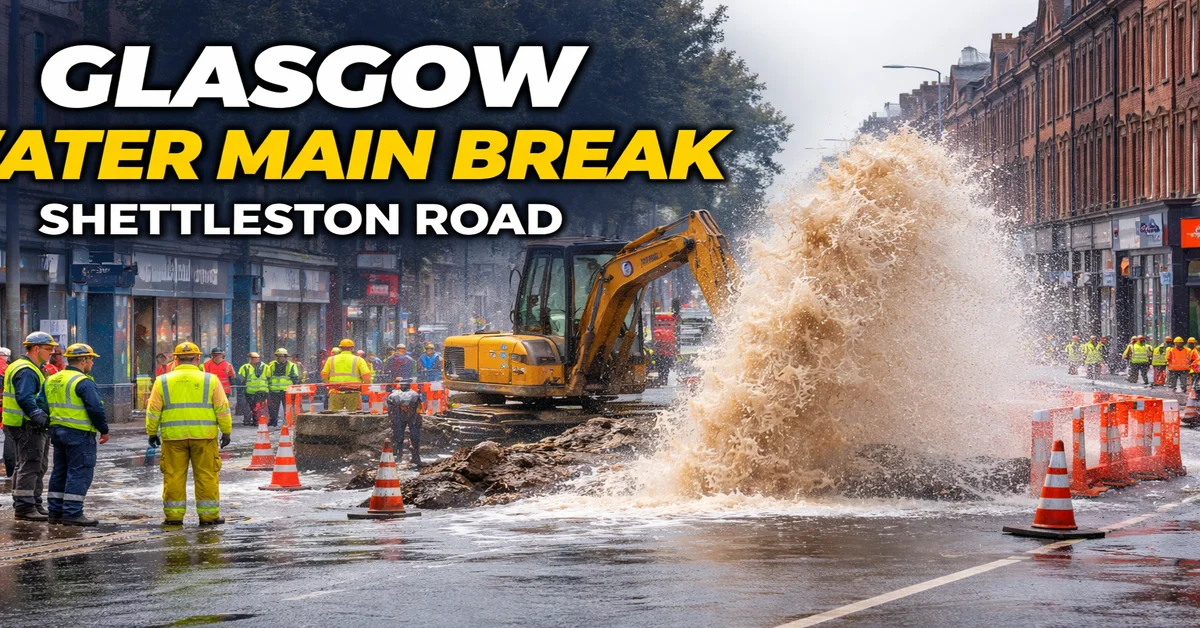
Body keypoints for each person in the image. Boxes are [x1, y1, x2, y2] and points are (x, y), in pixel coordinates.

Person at [145, 342, 232, 526]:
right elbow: (222, 409)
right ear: (198, 358)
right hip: (204, 436)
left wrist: (152, 433)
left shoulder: (163, 381)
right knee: (207, 475)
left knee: (174, 476)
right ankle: (209, 516)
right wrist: (226, 431)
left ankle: (174, 516)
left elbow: (153, 411)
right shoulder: (210, 380)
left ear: (175, 359)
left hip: (173, 438)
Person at [45, 343, 109, 526]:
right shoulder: (83, 381)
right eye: (91, 360)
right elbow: (95, 408)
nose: (92, 364)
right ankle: (72, 513)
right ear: (83, 360)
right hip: (78, 433)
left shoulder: (53, 379)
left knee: (60, 471)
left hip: (57, 432)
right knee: (79, 472)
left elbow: (41, 404)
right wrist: (103, 429)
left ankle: (55, 512)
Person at [2, 332, 56, 520]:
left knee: (29, 464)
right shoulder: (27, 370)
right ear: (36, 348)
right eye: (48, 349)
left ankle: (31, 503)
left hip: (18, 423)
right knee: (30, 465)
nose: (51, 352)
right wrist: (38, 416)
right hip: (28, 425)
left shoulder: (24, 366)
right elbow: (25, 398)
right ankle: (25, 508)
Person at [322, 339, 373, 411]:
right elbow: (366, 375)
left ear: (340, 348)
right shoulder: (358, 359)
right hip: (353, 392)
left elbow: (324, 374)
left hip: (335, 392)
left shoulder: (331, 359)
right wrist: (366, 388)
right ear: (352, 348)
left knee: (335, 417)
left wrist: (328, 385)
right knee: (353, 416)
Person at [386, 379, 424, 467]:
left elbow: (390, 409)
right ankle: (415, 456)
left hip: (399, 415)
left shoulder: (393, 395)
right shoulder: (415, 394)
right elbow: (419, 409)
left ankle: (399, 456)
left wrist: (392, 419)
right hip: (411, 415)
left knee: (398, 437)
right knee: (414, 436)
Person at [265, 348, 302, 427]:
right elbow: (267, 377)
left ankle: (289, 423)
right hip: (274, 391)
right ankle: (273, 421)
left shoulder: (292, 365)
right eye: (278, 356)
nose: (280, 358)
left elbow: (295, 378)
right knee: (273, 409)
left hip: (287, 391)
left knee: (288, 408)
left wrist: (295, 390)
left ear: (285, 357)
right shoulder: (271, 365)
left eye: (281, 356)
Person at [237, 352, 269, 426]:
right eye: (253, 358)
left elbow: (242, 379)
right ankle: (256, 420)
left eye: (255, 358)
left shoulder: (265, 367)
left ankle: (258, 421)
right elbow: (242, 378)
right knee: (254, 407)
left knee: (258, 407)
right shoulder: (245, 367)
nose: (254, 359)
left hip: (260, 390)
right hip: (252, 391)